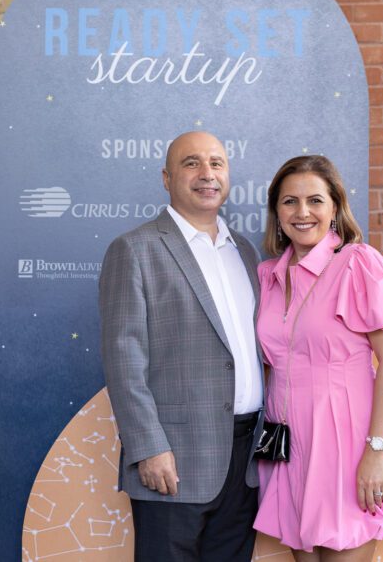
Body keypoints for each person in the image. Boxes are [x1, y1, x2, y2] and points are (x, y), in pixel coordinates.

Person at [253, 155, 383, 561]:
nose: (302, 212)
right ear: (276, 212)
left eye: (315, 200)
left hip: (349, 441)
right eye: (289, 201)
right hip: (288, 446)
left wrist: (376, 452)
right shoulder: (268, 276)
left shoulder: (357, 264)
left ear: (335, 208)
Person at [99, 131, 264, 561]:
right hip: (172, 461)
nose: (207, 174)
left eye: (217, 163)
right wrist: (148, 447)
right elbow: (123, 360)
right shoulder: (134, 250)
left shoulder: (245, 252)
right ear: (167, 177)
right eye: (192, 163)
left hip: (244, 461)